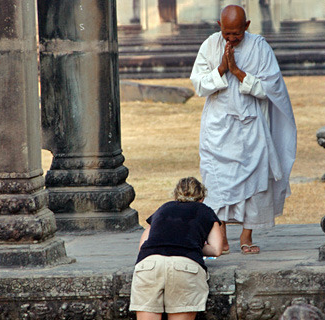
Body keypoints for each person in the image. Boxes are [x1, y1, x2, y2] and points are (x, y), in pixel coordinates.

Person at [190, 5, 297, 255]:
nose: (231, 39)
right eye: (226, 33)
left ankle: (247, 235)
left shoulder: (260, 47)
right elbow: (199, 85)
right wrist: (221, 69)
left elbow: (271, 88)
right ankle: (222, 235)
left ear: (246, 26)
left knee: (256, 178)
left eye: (236, 34)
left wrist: (238, 72)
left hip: (251, 125)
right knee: (217, 183)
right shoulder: (209, 45)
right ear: (219, 26)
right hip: (217, 127)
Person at [129, 177, 223, 320]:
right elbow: (216, 249)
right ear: (202, 198)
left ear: (175, 195)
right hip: (185, 266)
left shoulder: (163, 208)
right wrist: (194, 245)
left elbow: (143, 244)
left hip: (149, 264)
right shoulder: (205, 211)